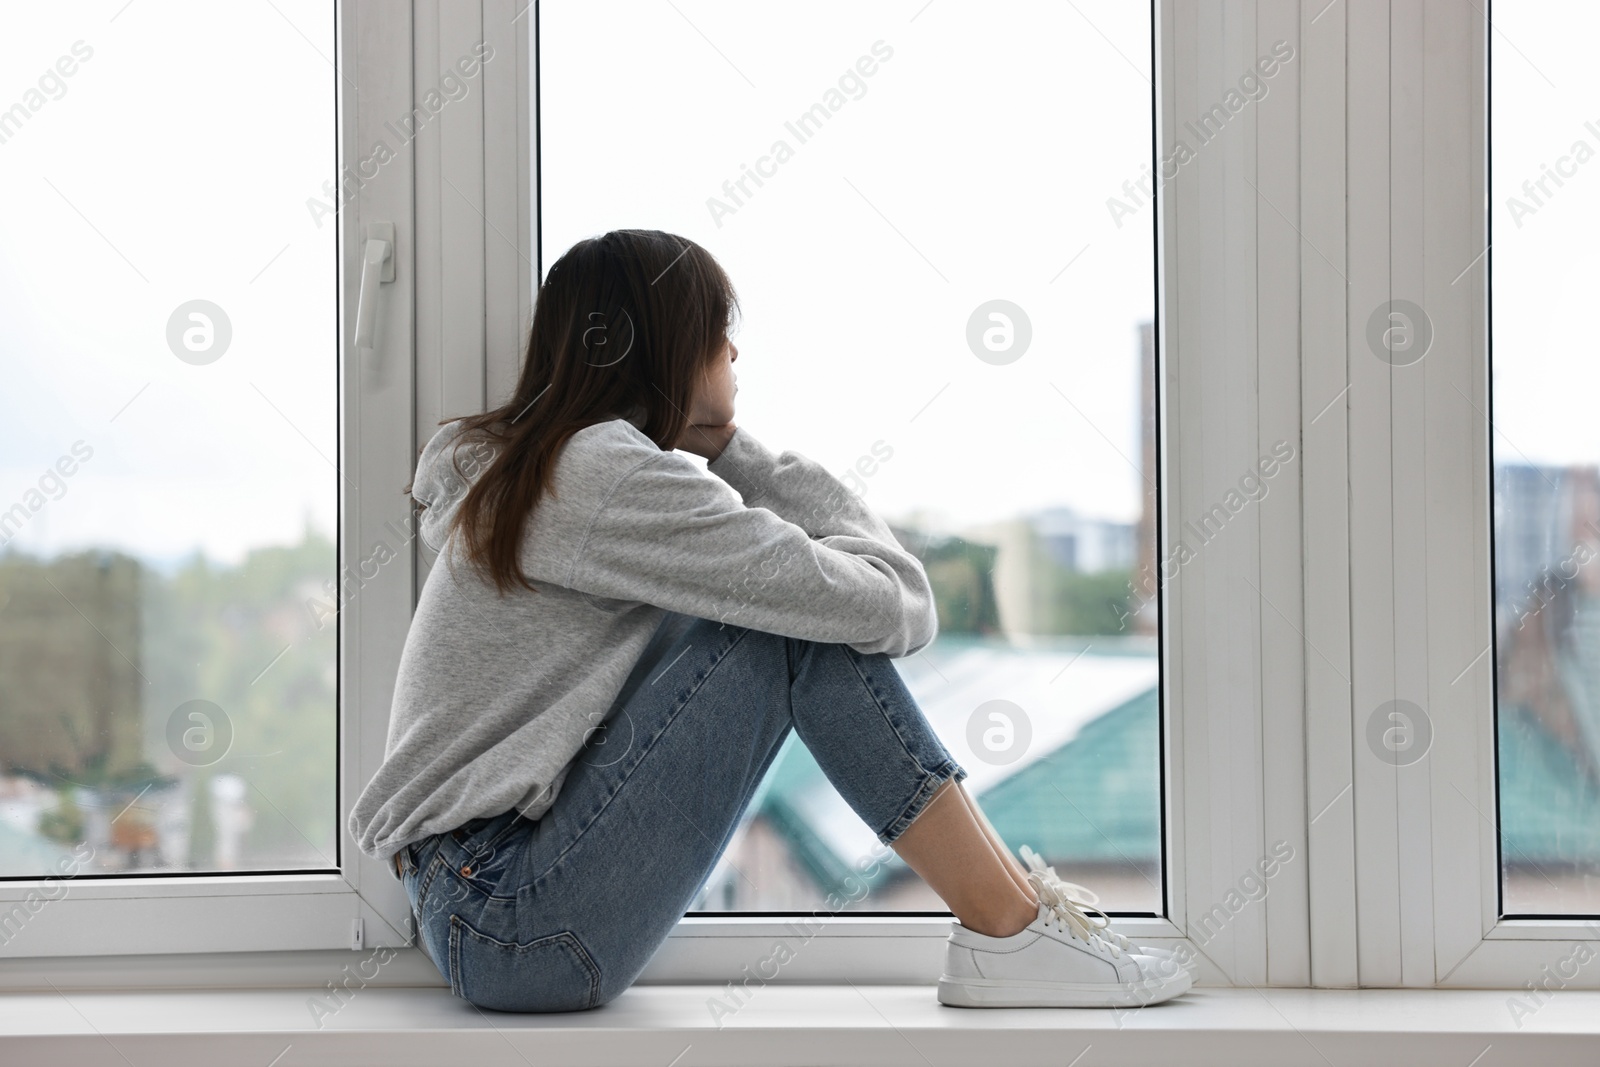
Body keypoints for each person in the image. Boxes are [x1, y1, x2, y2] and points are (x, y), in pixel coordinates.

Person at [347, 229, 1192, 1012]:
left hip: (478, 905)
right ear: (668, 352)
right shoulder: (602, 478)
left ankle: (1012, 926)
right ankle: (1009, 930)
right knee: (791, 627)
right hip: (512, 923)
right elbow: (894, 599)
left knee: (781, 612)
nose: (735, 353)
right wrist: (734, 449)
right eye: (718, 332)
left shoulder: (546, 469)